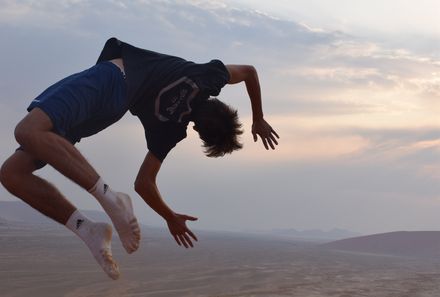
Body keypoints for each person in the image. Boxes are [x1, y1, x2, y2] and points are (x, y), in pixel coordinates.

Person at [0, 38, 279, 279]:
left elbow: (249, 72)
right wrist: (169, 217)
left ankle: (110, 198)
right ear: (199, 132)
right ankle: (87, 230)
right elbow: (144, 183)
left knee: (27, 131)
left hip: (111, 80)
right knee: (13, 173)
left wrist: (258, 118)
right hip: (110, 111)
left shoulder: (207, 77)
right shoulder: (170, 130)